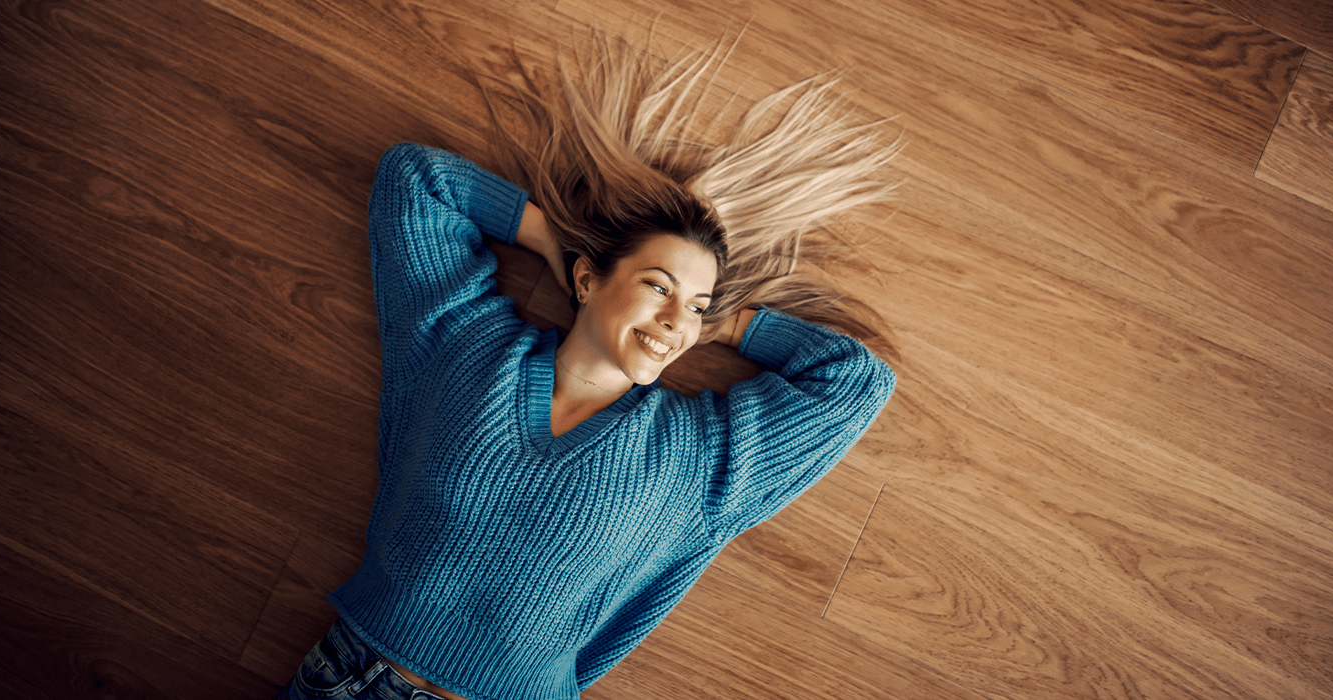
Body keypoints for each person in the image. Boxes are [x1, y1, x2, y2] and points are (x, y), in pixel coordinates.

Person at [275, 32, 901, 700]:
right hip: (347, 677)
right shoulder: (466, 349)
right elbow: (417, 180)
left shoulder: (697, 460)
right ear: (586, 280)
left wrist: (720, 323)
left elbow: (855, 382)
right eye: (658, 286)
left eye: (696, 304)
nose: (676, 319)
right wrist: (554, 240)